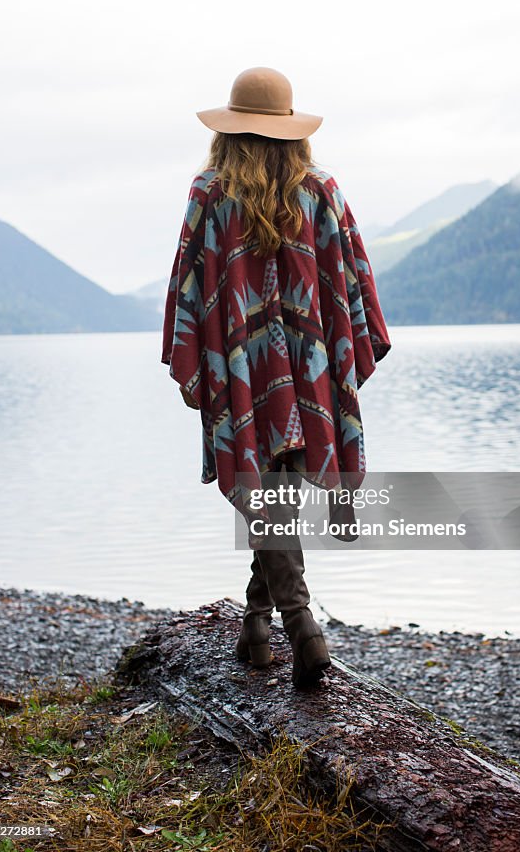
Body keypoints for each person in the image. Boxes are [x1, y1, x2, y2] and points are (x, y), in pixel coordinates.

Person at [162, 67, 391, 689]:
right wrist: (340, 348)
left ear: (230, 131)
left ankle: (280, 624)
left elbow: (190, 284)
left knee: (267, 482)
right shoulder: (321, 189)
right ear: (293, 133)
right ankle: (291, 627)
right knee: (279, 482)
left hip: (242, 363)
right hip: (310, 357)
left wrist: (200, 359)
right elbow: (353, 279)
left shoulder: (209, 193)